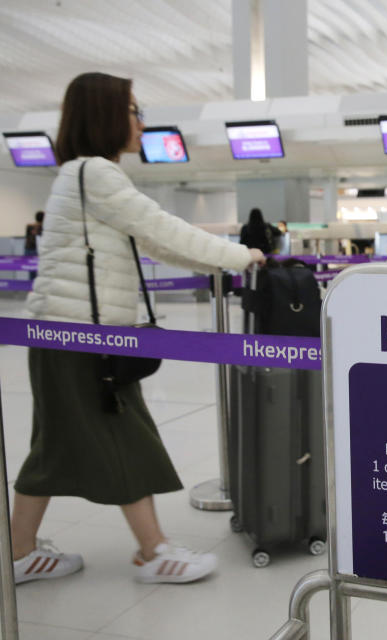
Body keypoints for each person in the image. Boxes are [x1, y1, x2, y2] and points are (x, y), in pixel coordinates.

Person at [13, 72, 265, 586]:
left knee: (53, 447)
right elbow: (160, 229)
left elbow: (154, 243)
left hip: (63, 337)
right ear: (105, 114)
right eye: (132, 110)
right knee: (122, 434)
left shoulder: (77, 173)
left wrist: (221, 265)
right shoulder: (96, 173)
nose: (140, 121)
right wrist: (242, 255)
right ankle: (153, 552)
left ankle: (18, 554)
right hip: (81, 340)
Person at [24, 211, 43, 280]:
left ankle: (31, 287)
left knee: (32, 272)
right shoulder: (41, 227)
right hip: (34, 250)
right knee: (36, 272)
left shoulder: (29, 226)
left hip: (27, 250)